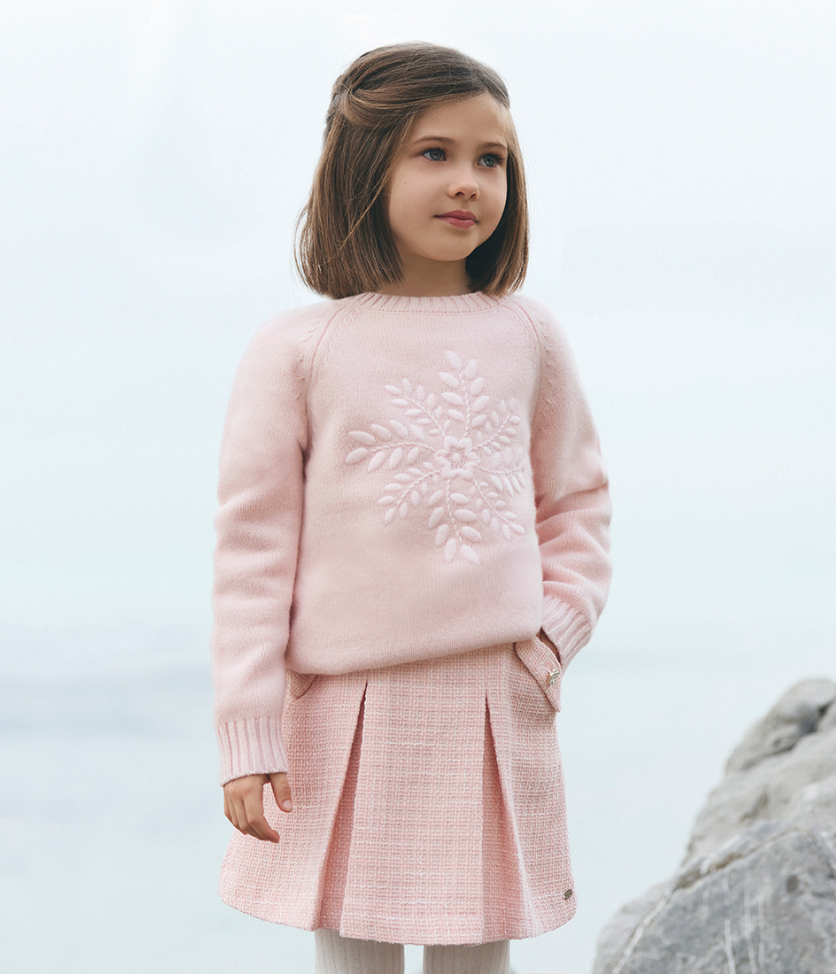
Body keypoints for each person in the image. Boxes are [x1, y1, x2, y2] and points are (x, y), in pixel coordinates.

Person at [211, 41, 612, 974]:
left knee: (478, 955)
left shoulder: (528, 335)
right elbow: (252, 553)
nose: (468, 180)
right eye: (434, 152)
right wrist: (248, 732)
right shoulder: (297, 349)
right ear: (365, 166)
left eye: (491, 159)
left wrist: (546, 642)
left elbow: (577, 508)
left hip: (493, 696)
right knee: (354, 954)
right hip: (342, 708)